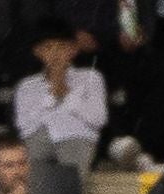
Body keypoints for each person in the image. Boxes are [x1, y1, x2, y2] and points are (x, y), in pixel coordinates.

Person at [15, 16, 109, 172]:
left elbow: (99, 119)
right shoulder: (27, 86)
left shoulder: (90, 77)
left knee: (72, 171)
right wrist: (52, 96)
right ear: (37, 52)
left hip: (77, 135)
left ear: (73, 50)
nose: (55, 53)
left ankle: (69, 193)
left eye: (61, 47)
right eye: (48, 47)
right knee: (27, 164)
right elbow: (24, 125)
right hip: (39, 137)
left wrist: (65, 92)